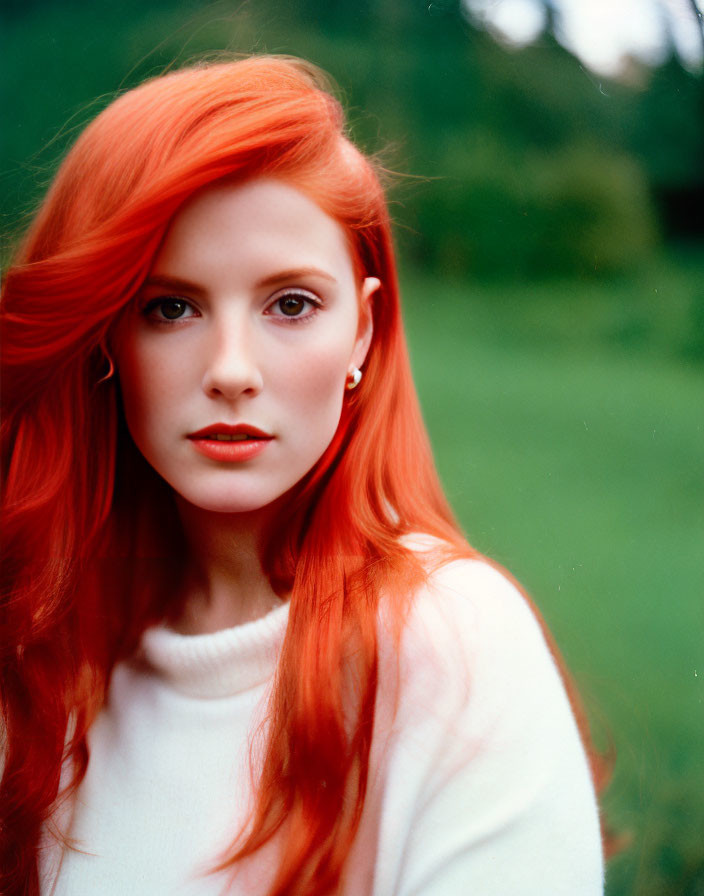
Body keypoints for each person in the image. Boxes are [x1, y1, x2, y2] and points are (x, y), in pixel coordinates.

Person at [0, 56, 606, 895]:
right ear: (106, 335)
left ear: (364, 331)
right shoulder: (49, 665)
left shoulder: (453, 641)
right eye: (169, 307)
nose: (232, 370)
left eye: (290, 304)